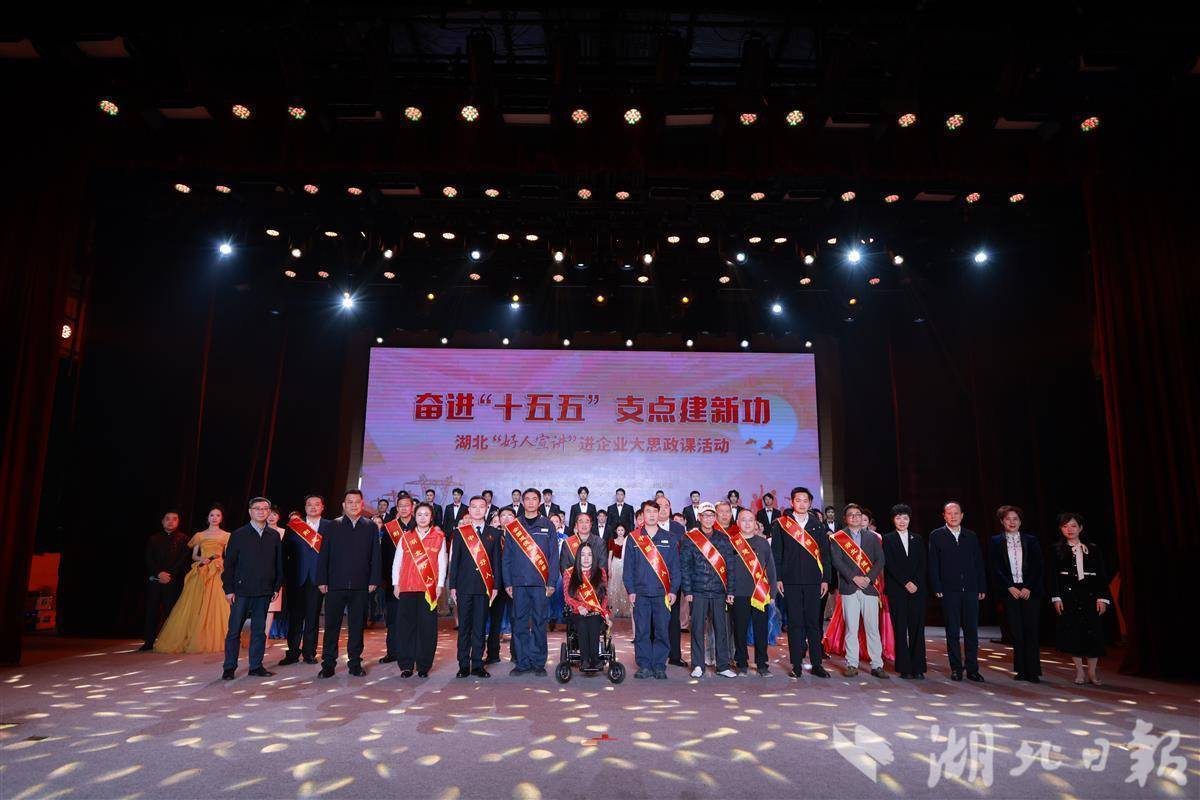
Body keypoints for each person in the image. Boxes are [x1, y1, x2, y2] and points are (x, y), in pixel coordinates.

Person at [770, 487, 832, 678]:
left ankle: (817, 664)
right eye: (798, 500)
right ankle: (796, 664)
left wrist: (825, 579)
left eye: (805, 500)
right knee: (795, 623)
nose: (802, 504)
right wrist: (778, 578)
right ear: (792, 502)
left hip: (814, 581)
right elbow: (776, 554)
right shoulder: (781, 524)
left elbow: (825, 555)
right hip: (791, 581)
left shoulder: (817, 525)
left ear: (810, 503)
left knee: (814, 623)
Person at [317, 490, 379, 678]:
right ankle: (328, 664)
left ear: (362, 505)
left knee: (357, 626)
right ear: (343, 505)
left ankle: (355, 663)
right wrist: (322, 579)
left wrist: (374, 579)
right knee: (332, 626)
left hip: (361, 585)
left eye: (357, 502)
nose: (353, 505)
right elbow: (324, 554)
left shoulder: (370, 526)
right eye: (349, 502)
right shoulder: (332, 526)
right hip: (335, 584)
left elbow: (375, 556)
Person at [155, 504, 231, 654]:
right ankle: (193, 635)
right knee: (195, 603)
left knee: (216, 603)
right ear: (207, 518)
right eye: (212, 515)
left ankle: (215, 637)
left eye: (217, 515)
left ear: (221, 518)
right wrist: (202, 559)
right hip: (202, 569)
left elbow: (228, 555)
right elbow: (194, 555)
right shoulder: (199, 535)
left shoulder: (227, 535)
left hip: (217, 571)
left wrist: (222, 562)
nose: (214, 518)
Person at [220, 497, 283, 679]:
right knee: (234, 631)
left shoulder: (274, 535)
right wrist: (229, 589)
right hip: (241, 590)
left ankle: (256, 666)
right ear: (250, 511)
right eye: (257, 508)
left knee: (259, 631)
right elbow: (229, 564)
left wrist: (276, 587)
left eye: (265, 509)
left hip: (264, 590)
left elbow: (278, 564)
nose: (261, 512)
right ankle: (229, 668)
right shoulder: (238, 534)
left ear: (269, 512)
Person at [826, 504, 888, 678]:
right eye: (851, 515)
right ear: (845, 518)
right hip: (849, 588)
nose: (855, 517)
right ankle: (852, 664)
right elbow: (837, 561)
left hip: (869, 587)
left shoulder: (872, 537)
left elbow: (880, 560)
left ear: (862, 517)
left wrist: (868, 578)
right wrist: (854, 578)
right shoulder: (838, 538)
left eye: (858, 514)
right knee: (851, 629)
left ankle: (877, 665)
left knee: (872, 628)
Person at [929, 501, 987, 682]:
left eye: (956, 513)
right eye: (949, 513)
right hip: (949, 590)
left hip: (970, 589)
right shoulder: (936, 535)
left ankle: (973, 669)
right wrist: (937, 586)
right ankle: (956, 668)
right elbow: (933, 563)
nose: (953, 516)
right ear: (944, 515)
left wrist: (981, 586)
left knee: (971, 631)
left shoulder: (971, 535)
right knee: (952, 631)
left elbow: (978, 562)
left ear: (962, 515)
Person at [1050, 512, 1111, 685]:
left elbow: (1101, 575)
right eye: (1065, 526)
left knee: (1093, 633)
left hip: (1091, 595)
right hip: (1069, 596)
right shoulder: (1056, 549)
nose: (1069, 529)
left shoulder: (1093, 548)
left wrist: (1102, 598)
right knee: (1074, 633)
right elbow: (1053, 576)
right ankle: (1079, 672)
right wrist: (1056, 597)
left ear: (1081, 528)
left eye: (1073, 526)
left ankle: (1092, 672)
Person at [502, 488, 558, 676]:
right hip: (519, 584)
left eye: (534, 499)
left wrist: (551, 582)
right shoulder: (514, 526)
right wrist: (508, 583)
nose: (531, 502)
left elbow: (553, 556)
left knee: (539, 623)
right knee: (519, 624)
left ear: (539, 502)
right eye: (527, 499)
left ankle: (538, 663)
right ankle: (522, 663)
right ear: (522, 502)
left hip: (541, 584)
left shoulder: (548, 525)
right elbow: (507, 557)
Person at [624, 500, 680, 679]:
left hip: (662, 594)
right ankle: (644, 665)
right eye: (648, 511)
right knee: (642, 631)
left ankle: (659, 665)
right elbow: (628, 568)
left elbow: (675, 568)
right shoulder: (634, 538)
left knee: (662, 631)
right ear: (642, 515)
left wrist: (673, 590)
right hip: (640, 593)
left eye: (655, 511)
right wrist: (631, 590)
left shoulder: (670, 538)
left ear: (659, 514)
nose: (652, 515)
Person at [682, 502, 739, 678]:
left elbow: (730, 567)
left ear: (715, 518)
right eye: (705, 515)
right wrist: (687, 591)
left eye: (711, 515)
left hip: (719, 591)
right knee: (697, 629)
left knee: (721, 629)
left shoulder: (723, 539)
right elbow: (685, 566)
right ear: (699, 517)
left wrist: (730, 591)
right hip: (698, 591)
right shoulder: (690, 538)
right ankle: (698, 665)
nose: (708, 519)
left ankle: (722, 666)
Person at [390, 501, 446, 678]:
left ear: (431, 517)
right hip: (407, 587)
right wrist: (396, 584)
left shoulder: (439, 537)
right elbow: (397, 562)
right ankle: (406, 665)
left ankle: (423, 665)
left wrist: (439, 585)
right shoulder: (406, 537)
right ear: (415, 516)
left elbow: (442, 563)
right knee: (406, 627)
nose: (422, 518)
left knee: (427, 628)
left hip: (428, 590)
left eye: (426, 515)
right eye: (420, 514)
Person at [989, 505, 1044, 682]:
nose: (1012, 522)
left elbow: (1038, 566)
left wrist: (1028, 587)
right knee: (1016, 631)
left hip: (1029, 590)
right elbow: (995, 567)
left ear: (1020, 522)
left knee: (1031, 631)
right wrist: (1009, 586)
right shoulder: (996, 541)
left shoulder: (1031, 540)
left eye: (1015, 519)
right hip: (1010, 590)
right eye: (1008, 519)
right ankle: (1021, 670)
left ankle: (1033, 671)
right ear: (1002, 521)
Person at [449, 496, 501, 678]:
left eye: (481, 507)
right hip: (463, 587)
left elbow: (496, 562)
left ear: (486, 509)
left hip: (484, 587)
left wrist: (496, 587)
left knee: (480, 627)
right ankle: (463, 665)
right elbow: (454, 562)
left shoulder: (494, 534)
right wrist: (452, 586)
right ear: (469, 510)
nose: (478, 510)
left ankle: (478, 664)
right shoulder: (460, 533)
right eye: (474, 507)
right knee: (464, 627)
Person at [278, 494, 331, 666]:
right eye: (309, 504)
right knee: (294, 617)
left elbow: (332, 555)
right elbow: (284, 553)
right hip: (296, 578)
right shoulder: (294, 526)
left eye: (317, 504)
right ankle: (292, 653)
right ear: (305, 507)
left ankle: (309, 653)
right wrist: (286, 576)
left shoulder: (330, 526)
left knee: (312, 617)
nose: (313, 507)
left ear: (322, 507)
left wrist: (327, 578)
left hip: (318, 579)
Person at [730, 508, 777, 675]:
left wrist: (772, 594)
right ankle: (741, 662)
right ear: (738, 523)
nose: (747, 523)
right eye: (743, 520)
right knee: (740, 631)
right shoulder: (732, 542)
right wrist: (729, 592)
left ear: (755, 523)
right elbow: (728, 570)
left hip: (760, 594)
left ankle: (762, 664)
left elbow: (771, 569)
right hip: (739, 594)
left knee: (761, 631)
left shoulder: (763, 543)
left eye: (750, 520)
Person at [883, 504, 928, 679]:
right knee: (900, 629)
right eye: (898, 518)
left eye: (905, 518)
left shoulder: (917, 538)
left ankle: (918, 667)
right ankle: (904, 668)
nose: (902, 521)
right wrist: (905, 582)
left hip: (917, 589)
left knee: (917, 628)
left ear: (910, 520)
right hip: (897, 590)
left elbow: (923, 563)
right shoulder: (887, 539)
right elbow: (889, 564)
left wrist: (914, 582)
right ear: (893, 520)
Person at [140, 509, 191, 651]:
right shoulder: (154, 538)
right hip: (156, 579)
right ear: (162, 521)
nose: (170, 521)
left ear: (178, 522)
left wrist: (170, 574)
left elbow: (183, 560)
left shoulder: (184, 539)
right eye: (167, 518)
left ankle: (169, 642)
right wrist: (159, 573)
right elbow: (149, 558)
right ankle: (148, 642)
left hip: (174, 581)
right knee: (152, 611)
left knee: (171, 612)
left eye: (174, 519)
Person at [379, 495, 415, 664]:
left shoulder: (420, 525)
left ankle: (411, 651)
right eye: (401, 506)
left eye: (407, 505)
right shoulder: (389, 527)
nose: (404, 508)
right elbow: (384, 555)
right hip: (394, 580)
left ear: (412, 507)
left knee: (412, 617)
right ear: (397, 508)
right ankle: (392, 651)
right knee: (393, 617)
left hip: (415, 580)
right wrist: (384, 579)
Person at [564, 542, 609, 670]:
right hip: (577, 612)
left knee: (594, 622)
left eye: (589, 555)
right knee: (582, 623)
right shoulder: (569, 573)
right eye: (583, 554)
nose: (586, 558)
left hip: (596, 612)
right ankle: (584, 660)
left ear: (593, 557)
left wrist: (604, 613)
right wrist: (579, 606)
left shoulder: (601, 572)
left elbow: (605, 597)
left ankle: (595, 659)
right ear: (578, 556)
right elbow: (567, 597)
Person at [657, 495, 689, 668]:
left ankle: (675, 655)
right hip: (654, 581)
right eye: (659, 506)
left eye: (666, 506)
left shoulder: (678, 528)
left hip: (674, 580)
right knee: (655, 619)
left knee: (673, 619)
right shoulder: (648, 527)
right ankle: (656, 655)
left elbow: (684, 554)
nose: (663, 509)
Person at [265, 506, 287, 638]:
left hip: (277, 573)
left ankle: (265, 637)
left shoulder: (284, 532)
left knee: (271, 607)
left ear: (279, 517)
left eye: (274, 514)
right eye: (269, 514)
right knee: (259, 607)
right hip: (260, 572)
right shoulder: (260, 530)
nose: (271, 517)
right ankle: (258, 637)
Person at [606, 523, 632, 620]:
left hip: (625, 565)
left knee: (624, 586)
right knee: (615, 586)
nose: (620, 532)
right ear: (616, 531)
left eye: (622, 530)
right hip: (615, 564)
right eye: (618, 530)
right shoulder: (612, 541)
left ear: (625, 531)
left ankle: (625, 610)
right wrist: (609, 569)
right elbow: (609, 557)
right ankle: (615, 609)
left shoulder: (628, 541)